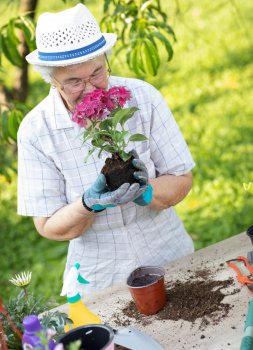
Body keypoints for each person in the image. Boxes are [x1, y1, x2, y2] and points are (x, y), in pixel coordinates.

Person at [18, 3, 195, 295]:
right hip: (100, 274)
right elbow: (48, 225)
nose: (90, 90)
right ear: (52, 80)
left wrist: (147, 190)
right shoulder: (36, 130)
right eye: (74, 81)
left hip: (169, 253)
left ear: (106, 60)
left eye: (97, 73)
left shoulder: (143, 98)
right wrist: (88, 204)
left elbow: (182, 179)